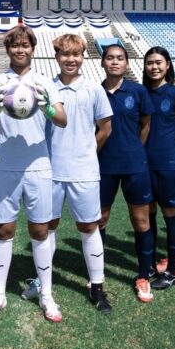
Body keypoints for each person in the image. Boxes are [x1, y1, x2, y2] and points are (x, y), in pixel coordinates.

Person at [0, 25, 67, 322]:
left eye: (25, 45)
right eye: (14, 45)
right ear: (8, 50)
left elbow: (63, 119)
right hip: (5, 164)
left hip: (38, 164)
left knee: (40, 231)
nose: (20, 50)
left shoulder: (43, 82)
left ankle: (46, 295)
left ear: (32, 49)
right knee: (4, 230)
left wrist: (48, 109)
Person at [36, 34, 113, 312]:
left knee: (89, 227)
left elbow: (105, 128)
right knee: (47, 226)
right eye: (65, 54)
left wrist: (86, 151)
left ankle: (97, 287)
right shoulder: (46, 89)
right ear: (56, 57)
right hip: (50, 171)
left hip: (84, 171)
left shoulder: (94, 89)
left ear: (83, 57)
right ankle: (43, 284)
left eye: (76, 54)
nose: (71, 59)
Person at [96, 43, 156, 301]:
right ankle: (96, 272)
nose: (115, 62)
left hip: (134, 165)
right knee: (100, 219)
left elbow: (146, 124)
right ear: (103, 62)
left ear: (127, 63)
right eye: (110, 58)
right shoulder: (94, 91)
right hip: (103, 165)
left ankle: (143, 275)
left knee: (141, 221)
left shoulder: (138, 91)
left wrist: (133, 149)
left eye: (120, 58)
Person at [142, 46, 175, 291]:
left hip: (168, 165)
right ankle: (151, 264)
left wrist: (170, 150)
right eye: (150, 62)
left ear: (168, 65)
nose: (154, 67)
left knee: (172, 213)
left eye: (158, 62)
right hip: (143, 165)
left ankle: (172, 270)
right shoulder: (141, 93)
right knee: (148, 213)